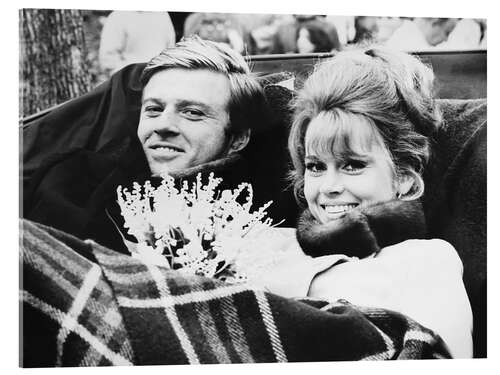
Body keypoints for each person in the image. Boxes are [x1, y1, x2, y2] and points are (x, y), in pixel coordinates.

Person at [248, 47, 472, 358]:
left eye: (353, 165)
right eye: (315, 166)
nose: (329, 187)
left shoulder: (425, 260)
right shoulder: (263, 244)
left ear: (404, 175)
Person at [23, 36, 297, 255]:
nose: (162, 126)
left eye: (192, 112)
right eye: (153, 110)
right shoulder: (71, 185)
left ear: (238, 138)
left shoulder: (275, 211)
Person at [98, 11, 176, 76]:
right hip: (129, 84)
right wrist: (128, 79)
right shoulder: (118, 16)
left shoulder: (162, 15)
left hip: (159, 81)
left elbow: (171, 52)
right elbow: (108, 60)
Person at [385, 17, 458, 51]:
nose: (446, 39)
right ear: (435, 22)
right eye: (447, 32)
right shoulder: (412, 45)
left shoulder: (405, 33)